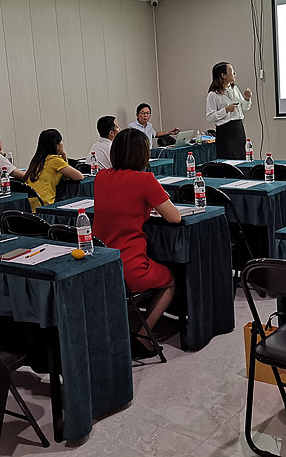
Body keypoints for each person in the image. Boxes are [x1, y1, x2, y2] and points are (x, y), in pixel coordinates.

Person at [93, 128, 181, 359]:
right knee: (170, 280)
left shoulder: (101, 177)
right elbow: (174, 217)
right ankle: (143, 336)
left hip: (101, 265)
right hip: (130, 267)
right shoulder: (144, 180)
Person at [24, 129, 83, 211]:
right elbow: (79, 176)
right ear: (56, 145)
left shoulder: (37, 160)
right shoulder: (54, 160)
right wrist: (64, 155)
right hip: (44, 204)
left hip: (29, 204)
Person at [205, 62, 253, 159]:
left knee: (242, 157)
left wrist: (247, 99)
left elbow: (244, 107)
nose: (234, 73)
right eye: (231, 70)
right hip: (225, 131)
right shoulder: (213, 94)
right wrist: (225, 110)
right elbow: (209, 117)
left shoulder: (234, 89)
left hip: (238, 128)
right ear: (223, 75)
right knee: (228, 158)